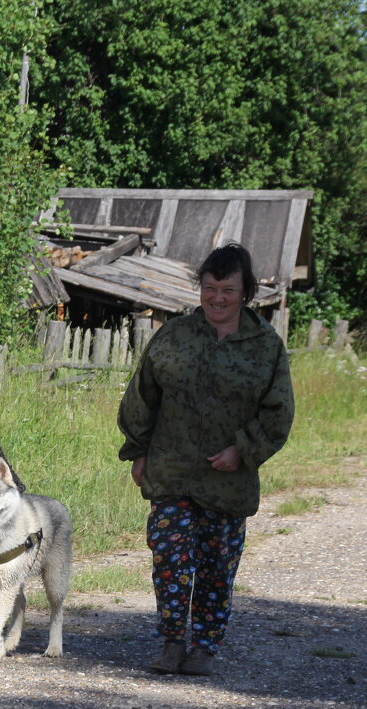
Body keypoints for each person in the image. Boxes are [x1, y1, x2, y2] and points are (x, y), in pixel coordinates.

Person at [117, 243, 294, 676]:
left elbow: (278, 413)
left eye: (228, 290)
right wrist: (137, 451)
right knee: (169, 558)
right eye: (210, 288)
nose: (218, 298)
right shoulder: (175, 336)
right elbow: (142, 395)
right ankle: (173, 641)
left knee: (217, 568)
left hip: (227, 482)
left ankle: (205, 647)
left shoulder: (264, 347)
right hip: (171, 472)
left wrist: (243, 451)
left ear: (246, 292)